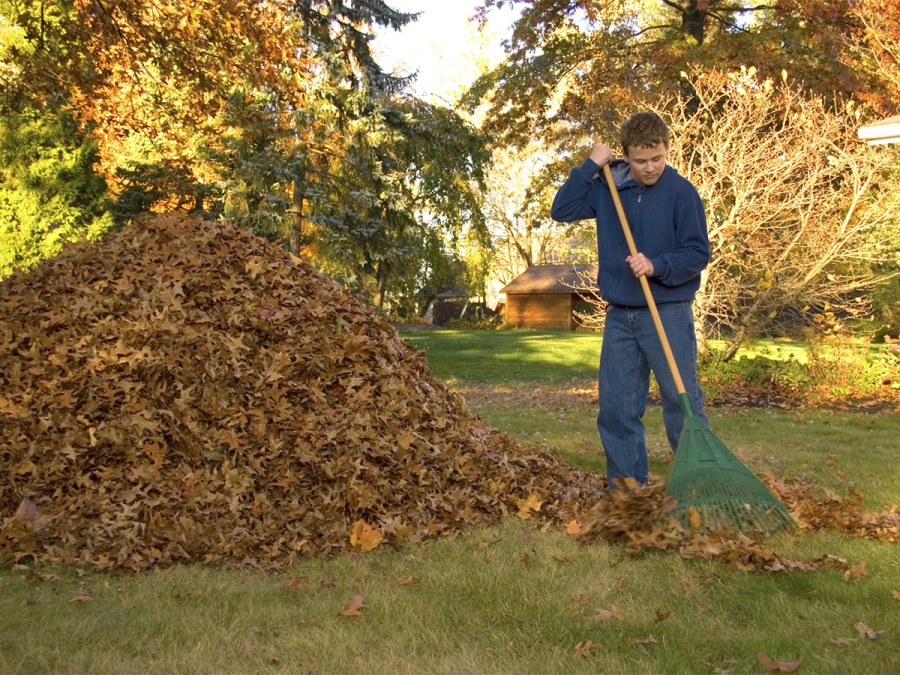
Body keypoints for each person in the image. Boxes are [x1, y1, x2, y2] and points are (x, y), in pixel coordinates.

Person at [550, 111, 710, 487]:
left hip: (667, 312)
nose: (650, 167)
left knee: (681, 404)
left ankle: (699, 484)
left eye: (657, 158)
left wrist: (657, 264)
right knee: (617, 408)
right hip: (621, 315)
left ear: (667, 150)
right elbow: (562, 210)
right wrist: (590, 164)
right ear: (624, 155)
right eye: (641, 161)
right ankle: (627, 489)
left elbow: (697, 253)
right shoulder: (608, 186)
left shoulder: (681, 193)